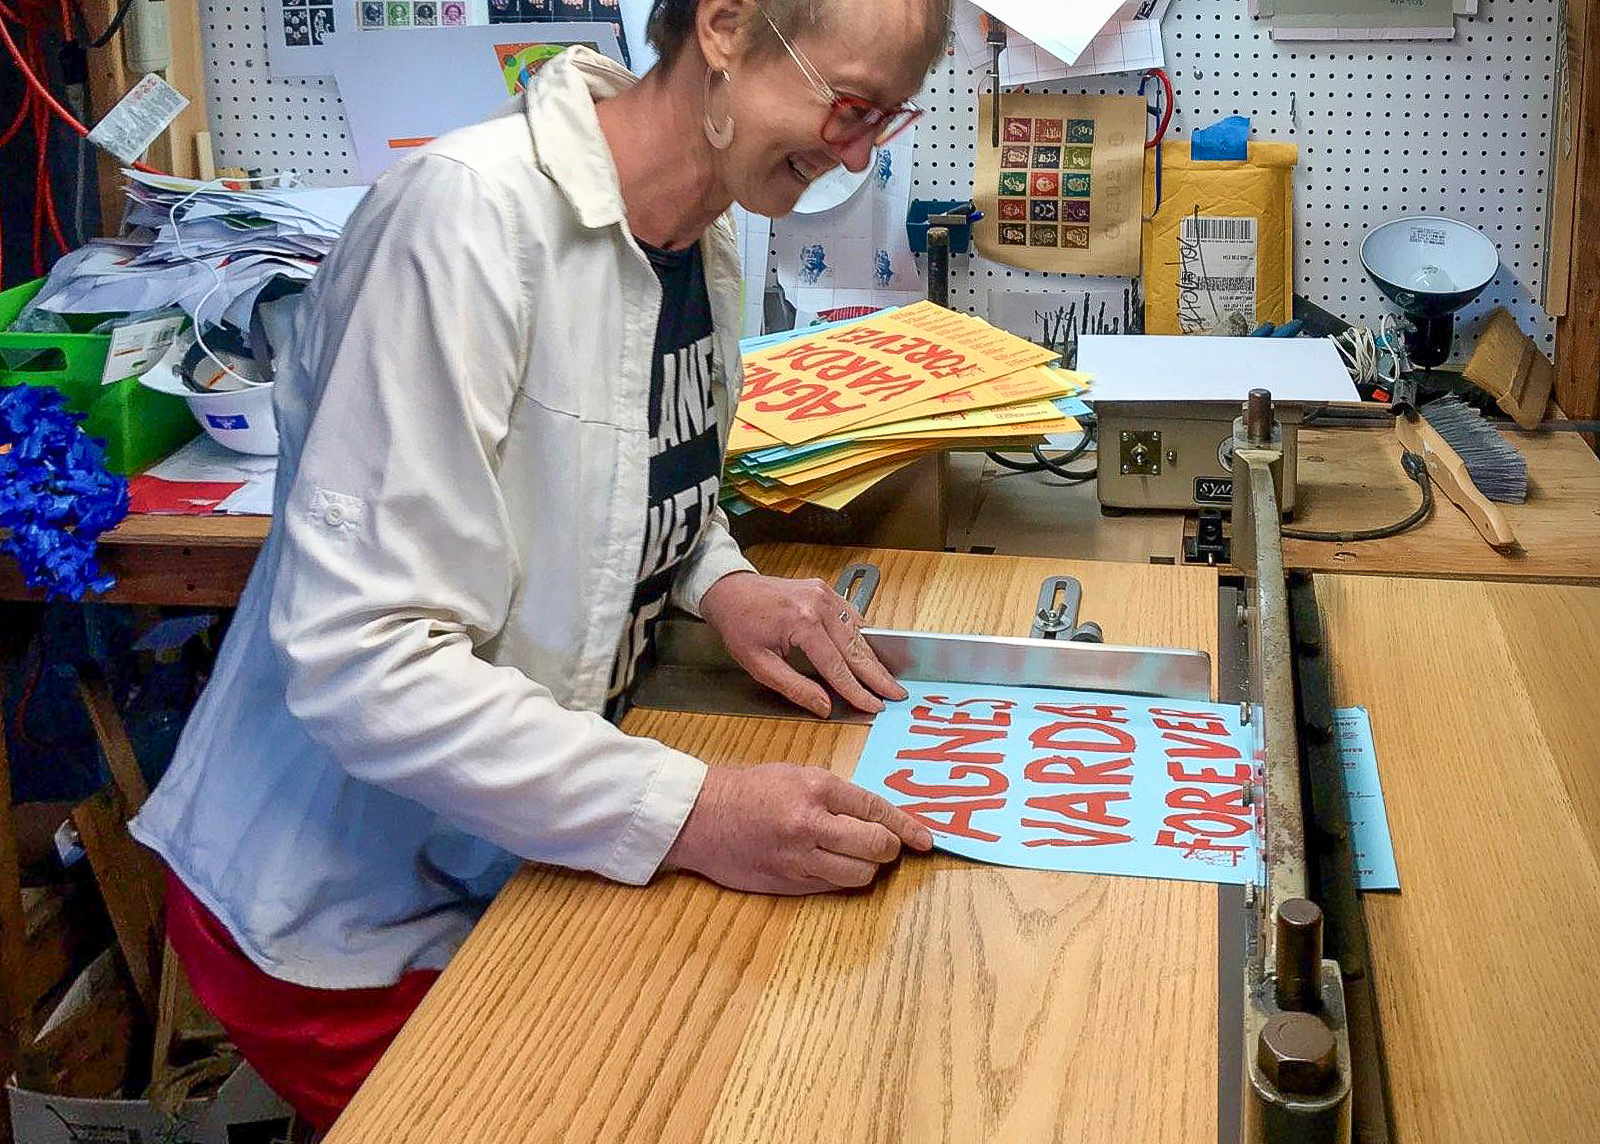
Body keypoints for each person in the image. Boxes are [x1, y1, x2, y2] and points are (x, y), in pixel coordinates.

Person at [129, 0, 953, 1129]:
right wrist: (697, 807)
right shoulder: (467, 222)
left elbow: (635, 469)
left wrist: (719, 579)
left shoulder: (701, 220)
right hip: (346, 918)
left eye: (886, 121)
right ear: (721, 27)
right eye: (845, 105)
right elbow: (362, 664)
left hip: (508, 866)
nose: (854, 154)